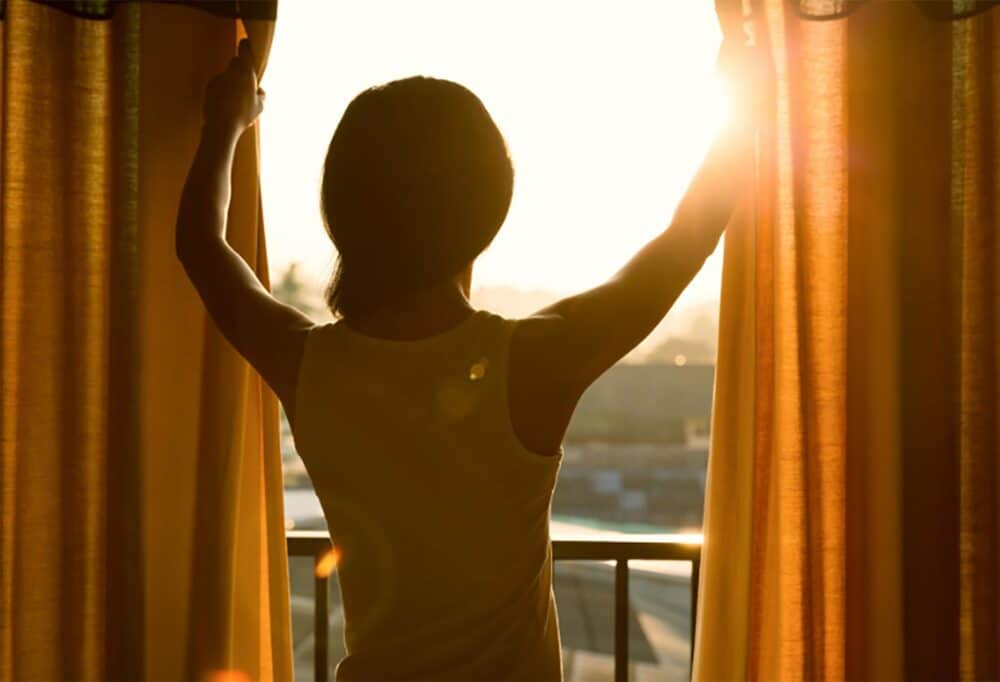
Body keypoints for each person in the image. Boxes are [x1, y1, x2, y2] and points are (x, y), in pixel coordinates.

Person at [176, 23, 755, 682]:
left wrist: (226, 122)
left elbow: (201, 244)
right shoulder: (533, 362)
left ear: (343, 212)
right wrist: (742, 96)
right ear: (489, 207)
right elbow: (690, 237)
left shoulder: (310, 365)